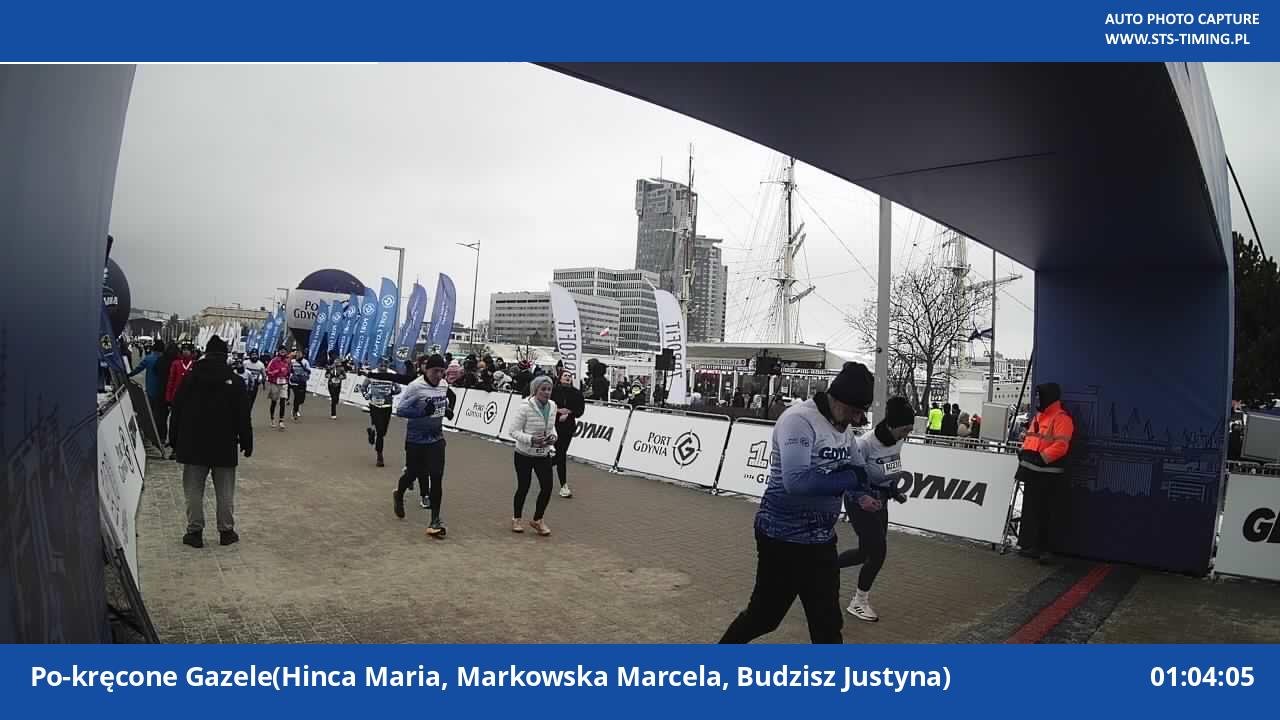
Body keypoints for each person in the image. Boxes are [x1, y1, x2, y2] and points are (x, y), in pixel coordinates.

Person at [720, 361, 874, 644]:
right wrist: (851, 479)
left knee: (828, 627)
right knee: (764, 617)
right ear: (839, 399)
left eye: (861, 413)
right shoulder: (799, 420)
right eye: (855, 411)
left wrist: (864, 494)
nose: (857, 419)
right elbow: (797, 482)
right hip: (782, 538)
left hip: (821, 540)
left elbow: (858, 471)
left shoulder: (843, 428)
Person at [168, 336, 252, 548]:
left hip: (193, 444)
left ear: (206, 353)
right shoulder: (235, 381)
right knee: (225, 492)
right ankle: (226, 531)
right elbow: (243, 416)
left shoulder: (190, 378)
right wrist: (246, 440)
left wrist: (173, 439)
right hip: (224, 445)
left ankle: (195, 532)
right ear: (224, 356)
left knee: (193, 491)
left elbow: (177, 410)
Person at [840, 396, 913, 622]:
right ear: (891, 425)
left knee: (865, 553)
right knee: (878, 552)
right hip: (859, 502)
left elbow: (889, 470)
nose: (906, 435)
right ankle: (859, 602)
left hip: (881, 501)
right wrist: (862, 497)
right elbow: (849, 477)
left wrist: (894, 491)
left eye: (909, 430)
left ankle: (821, 568)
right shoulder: (865, 444)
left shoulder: (898, 441)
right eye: (903, 430)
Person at [394, 354, 456, 537]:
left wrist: (447, 410)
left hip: (436, 439)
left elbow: (442, 401)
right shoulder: (416, 387)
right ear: (426, 370)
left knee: (436, 477)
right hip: (416, 439)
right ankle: (399, 493)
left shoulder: (443, 384)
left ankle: (435, 520)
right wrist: (422, 412)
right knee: (412, 473)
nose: (439, 375)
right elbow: (400, 410)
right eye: (435, 371)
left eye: (442, 371)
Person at [1016, 383, 1075, 562]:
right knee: (1034, 511)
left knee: (1048, 512)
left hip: (1049, 474)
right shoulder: (1039, 417)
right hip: (1033, 471)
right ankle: (1033, 546)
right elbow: (1032, 439)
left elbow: (1061, 446)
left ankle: (1046, 549)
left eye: (1040, 396)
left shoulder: (1062, 418)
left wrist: (1041, 458)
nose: (1037, 399)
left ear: (1049, 397)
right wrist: (1024, 451)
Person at [507, 375, 559, 536]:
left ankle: (538, 519)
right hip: (524, 454)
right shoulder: (525, 407)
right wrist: (531, 439)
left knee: (547, 487)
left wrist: (553, 437)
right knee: (524, 486)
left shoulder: (553, 406)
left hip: (543, 453)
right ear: (535, 390)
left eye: (549, 389)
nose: (547, 392)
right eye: (543, 389)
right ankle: (516, 518)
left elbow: (551, 427)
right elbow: (513, 431)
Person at [361, 358, 407, 468]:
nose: (383, 367)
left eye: (385, 365)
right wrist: (366, 395)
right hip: (374, 405)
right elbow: (363, 387)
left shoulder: (392, 374)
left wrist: (391, 392)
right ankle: (380, 456)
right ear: (378, 365)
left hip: (387, 406)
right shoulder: (372, 374)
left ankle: (372, 432)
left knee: (383, 431)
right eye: (381, 365)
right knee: (380, 432)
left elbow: (398, 389)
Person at [551, 369, 585, 498]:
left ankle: (543, 466)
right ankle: (563, 485)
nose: (568, 377)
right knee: (561, 454)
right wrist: (558, 411)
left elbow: (580, 410)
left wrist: (569, 412)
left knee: (561, 453)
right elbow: (546, 405)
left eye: (570, 376)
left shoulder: (576, 393)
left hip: (568, 427)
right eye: (565, 375)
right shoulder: (553, 391)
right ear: (560, 378)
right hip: (553, 426)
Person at [129, 340, 170, 444]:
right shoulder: (166, 360)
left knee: (151, 414)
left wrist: (129, 374)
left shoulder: (149, 358)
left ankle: (151, 436)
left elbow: (138, 368)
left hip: (151, 392)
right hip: (162, 393)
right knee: (161, 416)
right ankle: (161, 437)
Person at [165, 343, 197, 444]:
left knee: (187, 421)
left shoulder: (195, 364)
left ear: (191, 352)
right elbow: (171, 381)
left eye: (188, 350)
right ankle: (173, 442)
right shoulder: (176, 363)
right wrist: (168, 398)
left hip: (190, 398)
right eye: (184, 350)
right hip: (176, 397)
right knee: (175, 421)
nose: (186, 352)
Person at [265, 347, 291, 430]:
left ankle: (281, 421)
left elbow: (289, 371)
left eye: (284, 351)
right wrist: (279, 370)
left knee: (283, 401)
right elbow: (268, 371)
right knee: (274, 402)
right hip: (275, 383)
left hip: (284, 383)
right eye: (281, 351)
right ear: (278, 352)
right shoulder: (274, 361)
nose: (283, 352)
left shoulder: (287, 361)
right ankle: (272, 419)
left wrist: (288, 375)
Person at [241, 349, 266, 415]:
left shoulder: (261, 364)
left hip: (254, 385)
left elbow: (264, 375)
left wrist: (262, 382)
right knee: (243, 400)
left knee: (251, 401)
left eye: (255, 355)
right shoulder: (245, 363)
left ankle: (248, 413)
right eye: (253, 355)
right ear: (250, 355)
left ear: (258, 355)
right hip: (244, 384)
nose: (254, 356)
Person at [288, 351, 311, 422]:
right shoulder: (292, 361)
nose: (298, 355)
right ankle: (295, 412)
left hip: (302, 381)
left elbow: (309, 371)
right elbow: (289, 369)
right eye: (297, 354)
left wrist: (305, 374)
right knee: (297, 397)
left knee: (301, 399)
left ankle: (296, 408)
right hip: (294, 381)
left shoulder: (305, 362)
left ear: (302, 355)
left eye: (300, 354)